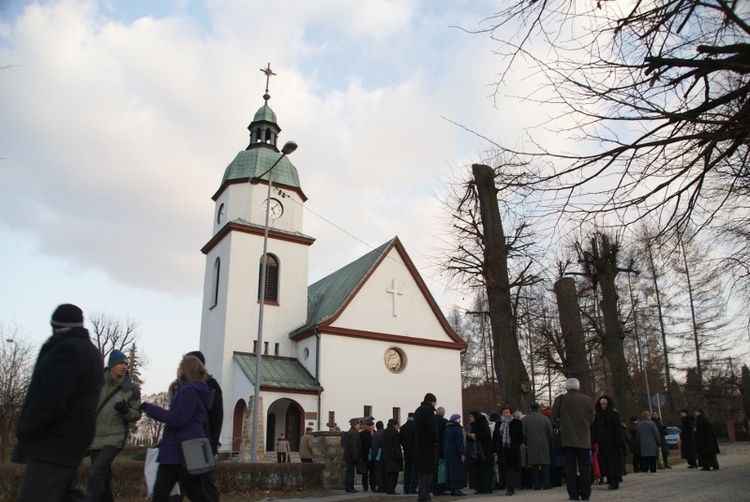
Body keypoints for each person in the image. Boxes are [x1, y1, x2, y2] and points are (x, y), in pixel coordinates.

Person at [13, 304, 104, 502]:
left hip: (55, 440)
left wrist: (26, 427)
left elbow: (50, 398)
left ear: (56, 326)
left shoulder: (67, 349)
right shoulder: (90, 351)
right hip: (73, 438)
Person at [139, 355, 215, 502]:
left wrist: (150, 409)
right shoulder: (197, 390)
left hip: (178, 451)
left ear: (184, 370)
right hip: (186, 450)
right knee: (195, 493)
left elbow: (178, 418)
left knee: (163, 494)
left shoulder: (188, 390)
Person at [87, 349, 142, 502]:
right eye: (120, 363)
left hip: (114, 437)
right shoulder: (97, 383)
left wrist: (126, 411)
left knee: (96, 473)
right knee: (102, 477)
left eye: (126, 363)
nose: (124, 366)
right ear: (111, 366)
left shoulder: (131, 390)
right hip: (95, 436)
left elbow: (137, 414)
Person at [186, 350, 223, 502]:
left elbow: (216, 417)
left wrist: (213, 445)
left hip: (202, 442)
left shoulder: (210, 386)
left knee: (203, 484)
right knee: (193, 485)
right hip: (188, 442)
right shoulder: (187, 386)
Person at [551, 377, 594, 502]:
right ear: (578, 387)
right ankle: (586, 494)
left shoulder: (560, 400)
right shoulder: (587, 400)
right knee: (585, 467)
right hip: (583, 439)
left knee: (570, 468)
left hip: (566, 439)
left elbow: (554, 417)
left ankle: (573, 494)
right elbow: (591, 419)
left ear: (566, 387)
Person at [591, 395, 625, 490]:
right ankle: (610, 479)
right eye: (602, 404)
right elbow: (594, 428)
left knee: (613, 462)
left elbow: (618, 428)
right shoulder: (597, 414)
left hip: (612, 443)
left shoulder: (614, 414)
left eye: (605, 404)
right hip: (602, 443)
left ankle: (614, 480)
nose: (603, 406)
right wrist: (593, 440)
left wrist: (619, 441)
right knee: (605, 462)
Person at [522, 402, 553, 491]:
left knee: (534, 466)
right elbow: (550, 432)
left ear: (530, 409)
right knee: (545, 464)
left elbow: (523, 433)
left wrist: (526, 441)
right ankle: (546, 484)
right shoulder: (545, 419)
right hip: (544, 443)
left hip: (531, 444)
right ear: (539, 409)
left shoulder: (525, 419)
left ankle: (536, 485)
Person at [414, 392, 439, 502]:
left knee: (423, 472)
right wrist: (435, 441)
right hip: (428, 446)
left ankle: (422, 494)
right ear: (432, 402)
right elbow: (432, 429)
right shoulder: (428, 411)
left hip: (420, 445)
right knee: (428, 472)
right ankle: (424, 495)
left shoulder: (418, 410)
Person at [468, 410, 495, 495]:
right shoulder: (473, 426)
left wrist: (476, 435)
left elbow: (487, 436)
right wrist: (469, 436)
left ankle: (487, 487)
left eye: (471, 417)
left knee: (486, 470)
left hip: (485, 450)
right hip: (477, 452)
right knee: (478, 470)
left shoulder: (483, 424)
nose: (470, 419)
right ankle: (479, 487)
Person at [442, 414, 467, 497]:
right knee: (457, 469)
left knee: (450, 470)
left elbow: (444, 441)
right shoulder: (458, 429)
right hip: (455, 451)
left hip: (447, 451)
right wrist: (462, 454)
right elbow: (459, 442)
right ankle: (457, 489)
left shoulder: (447, 429)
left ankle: (451, 489)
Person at [382, 418, 403, 494]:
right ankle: (391, 489)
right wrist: (399, 455)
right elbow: (396, 445)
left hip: (386, 455)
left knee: (387, 473)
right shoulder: (394, 432)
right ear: (395, 425)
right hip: (393, 456)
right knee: (394, 474)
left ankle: (388, 488)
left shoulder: (385, 431)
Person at [343, 418, 363, 493]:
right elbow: (353, 446)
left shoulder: (352, 432)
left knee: (350, 472)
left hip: (350, 456)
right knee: (350, 473)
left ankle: (349, 486)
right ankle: (349, 487)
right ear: (354, 425)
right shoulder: (353, 433)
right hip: (351, 457)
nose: (359, 426)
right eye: (358, 425)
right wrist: (355, 456)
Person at [400, 413, 418, 494]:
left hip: (406, 451)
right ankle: (413, 487)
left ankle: (406, 488)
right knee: (414, 470)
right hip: (415, 451)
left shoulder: (403, 427)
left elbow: (400, 440)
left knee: (407, 470)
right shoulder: (416, 427)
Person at [434, 406, 449, 496]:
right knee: (441, 470)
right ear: (443, 413)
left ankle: (432, 487)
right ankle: (440, 488)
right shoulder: (445, 422)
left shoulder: (431, 421)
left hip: (432, 449)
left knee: (433, 469)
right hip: (441, 449)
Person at [371, 420, 385, 492]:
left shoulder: (376, 435)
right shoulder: (386, 433)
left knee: (378, 472)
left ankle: (380, 487)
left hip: (378, 455)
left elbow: (374, 446)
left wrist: (373, 455)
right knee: (385, 471)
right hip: (386, 455)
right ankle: (386, 486)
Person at [359, 421, 375, 490]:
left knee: (373, 472)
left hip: (373, 456)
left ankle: (373, 486)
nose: (370, 427)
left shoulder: (375, 433)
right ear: (366, 427)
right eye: (368, 426)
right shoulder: (362, 434)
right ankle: (365, 486)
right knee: (365, 472)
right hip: (365, 455)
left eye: (371, 426)